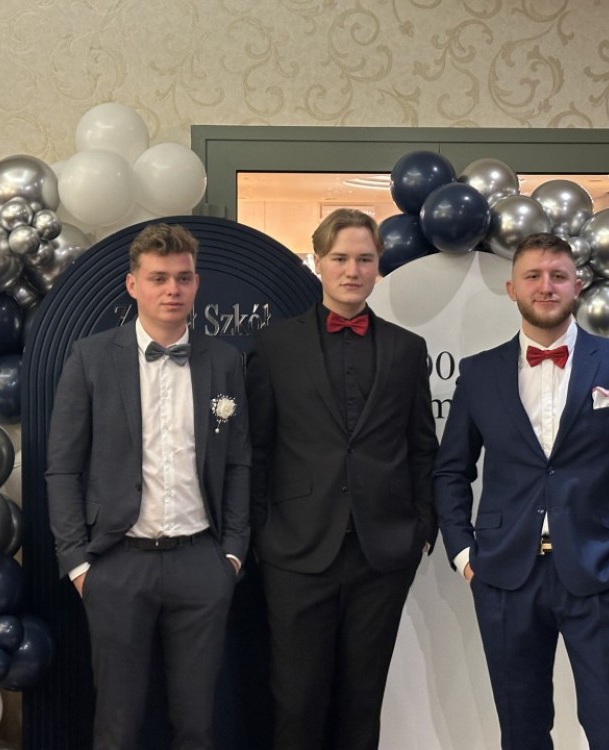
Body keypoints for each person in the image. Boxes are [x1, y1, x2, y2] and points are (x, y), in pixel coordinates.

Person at [433, 232, 609, 750]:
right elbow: (450, 472)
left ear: (577, 285)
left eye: (557, 276)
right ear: (512, 289)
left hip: (606, 572)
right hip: (505, 577)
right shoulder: (480, 372)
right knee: (521, 732)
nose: (545, 286)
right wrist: (464, 556)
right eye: (533, 276)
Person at [45, 223, 250, 750]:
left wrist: (231, 554)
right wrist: (77, 563)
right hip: (117, 563)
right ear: (133, 284)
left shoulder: (224, 361)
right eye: (159, 278)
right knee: (116, 725)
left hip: (201, 562)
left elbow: (239, 464)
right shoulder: (91, 357)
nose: (172, 289)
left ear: (196, 283)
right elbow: (62, 469)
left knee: (198, 724)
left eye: (183, 277)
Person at [246, 208, 438, 750]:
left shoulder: (407, 349)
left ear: (379, 266)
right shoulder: (274, 346)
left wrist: (423, 528)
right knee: (296, 701)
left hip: (383, 553)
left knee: (362, 702)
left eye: (364, 259)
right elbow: (256, 449)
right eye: (340, 258)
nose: (352, 271)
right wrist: (262, 533)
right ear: (318, 262)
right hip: (295, 551)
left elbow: (423, 446)